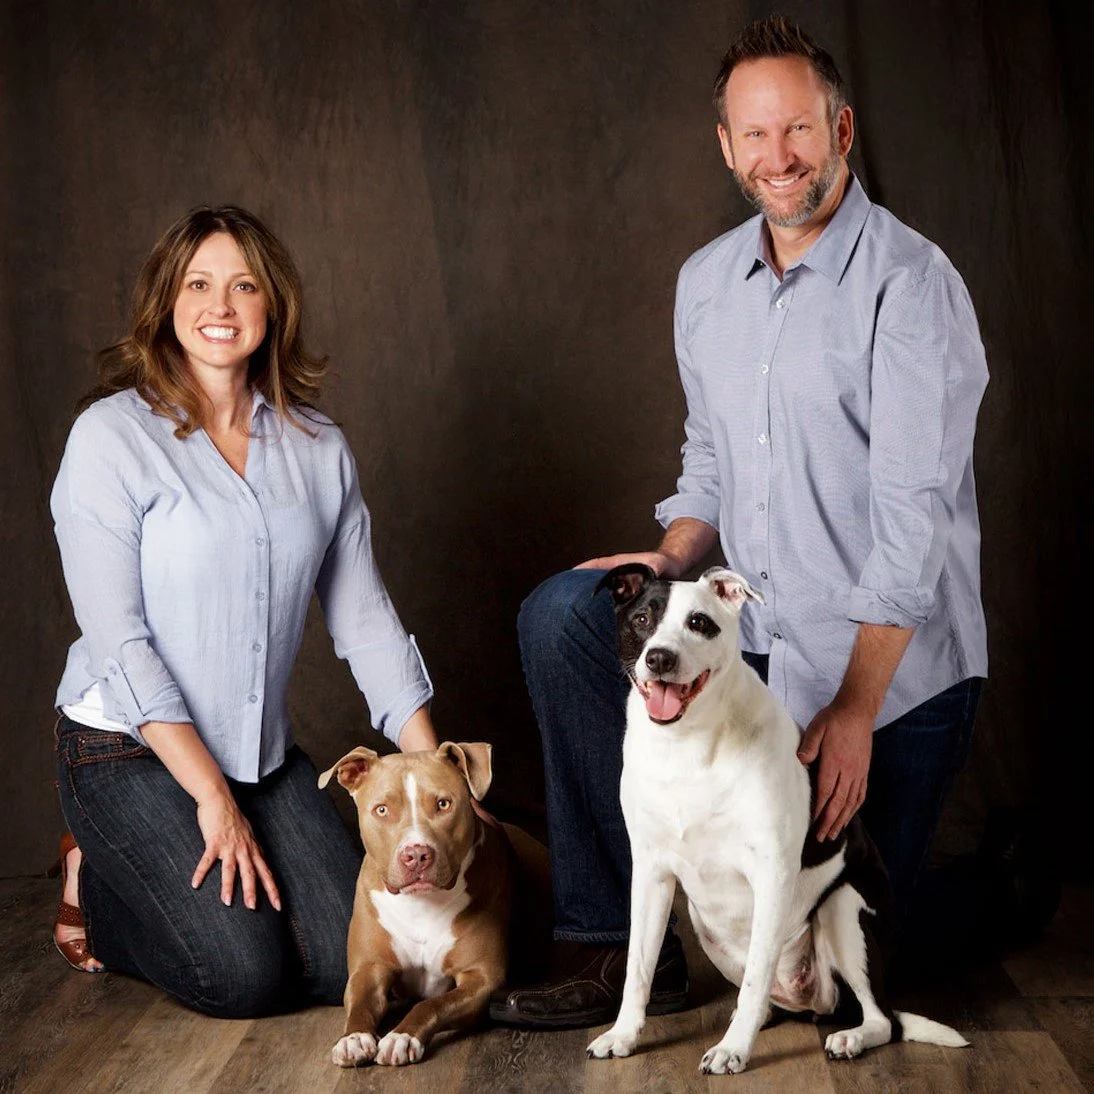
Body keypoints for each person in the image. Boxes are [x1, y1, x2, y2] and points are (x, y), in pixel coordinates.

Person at [491, 15, 1043, 1030]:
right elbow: (709, 457)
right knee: (562, 612)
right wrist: (670, 559)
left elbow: (911, 520)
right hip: (759, 663)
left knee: (829, 977)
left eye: (797, 129)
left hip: (891, 675)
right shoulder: (705, 285)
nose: (777, 157)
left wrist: (852, 709)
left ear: (841, 129)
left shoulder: (911, 285)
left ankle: (999, 886)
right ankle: (613, 947)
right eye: (754, 134)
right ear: (725, 146)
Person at [51, 205, 438, 1017]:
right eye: (198, 284)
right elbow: (120, 642)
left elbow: (366, 622)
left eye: (243, 285)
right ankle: (98, 883)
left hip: (259, 756)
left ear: (273, 305)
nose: (220, 306)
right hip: (124, 747)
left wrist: (435, 773)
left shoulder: (319, 448)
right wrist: (212, 799)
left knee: (349, 964)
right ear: (166, 301)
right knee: (242, 976)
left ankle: (184, 871)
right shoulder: (109, 438)